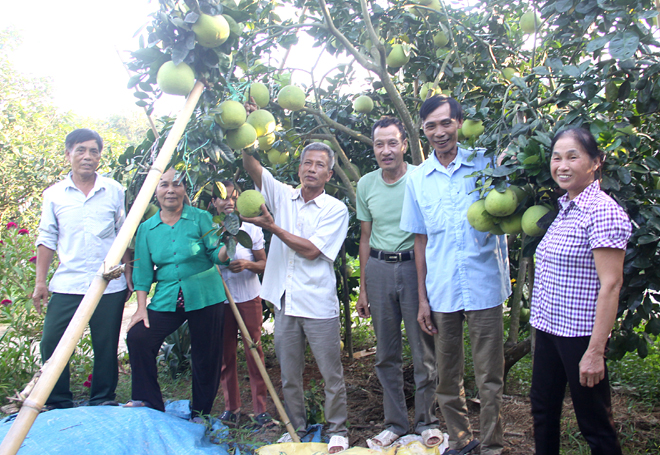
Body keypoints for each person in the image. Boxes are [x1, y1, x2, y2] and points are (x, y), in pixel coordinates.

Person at [400, 96, 511, 455]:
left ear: (459, 122)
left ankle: (492, 446)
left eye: (445, 123)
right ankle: (462, 442)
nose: (439, 132)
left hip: (484, 286)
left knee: (489, 376)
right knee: (446, 376)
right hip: (442, 289)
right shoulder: (417, 180)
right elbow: (420, 241)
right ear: (423, 131)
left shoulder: (484, 164)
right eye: (431, 126)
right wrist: (422, 298)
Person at [241, 142, 350, 453]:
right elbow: (253, 167)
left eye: (318, 165)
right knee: (289, 374)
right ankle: (295, 428)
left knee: (331, 373)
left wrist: (273, 227)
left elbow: (313, 250)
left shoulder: (335, 209)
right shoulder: (282, 196)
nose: (311, 169)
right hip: (285, 300)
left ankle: (338, 430)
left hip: (317, 303)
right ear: (300, 167)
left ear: (329, 174)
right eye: (307, 163)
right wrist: (248, 138)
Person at [530, 128, 631, 455]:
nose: (562, 164)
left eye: (573, 156)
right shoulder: (566, 208)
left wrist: (595, 351)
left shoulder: (602, 211)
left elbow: (611, 284)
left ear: (595, 162)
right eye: (557, 157)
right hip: (549, 329)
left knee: (595, 424)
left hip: (580, 337)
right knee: (543, 410)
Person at [32, 128, 132, 409]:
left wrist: (128, 272)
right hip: (68, 282)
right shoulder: (54, 195)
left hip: (108, 283)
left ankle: (102, 398)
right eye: (80, 150)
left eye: (93, 151)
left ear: (99, 156)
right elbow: (47, 238)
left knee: (106, 345)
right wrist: (41, 282)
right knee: (52, 341)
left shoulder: (114, 190)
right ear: (68, 155)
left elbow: (122, 232)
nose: (87, 156)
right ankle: (58, 399)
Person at [356, 117, 440, 447]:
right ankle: (395, 423)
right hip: (378, 267)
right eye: (379, 144)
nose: (386, 150)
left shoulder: (421, 177)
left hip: (413, 267)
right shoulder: (366, 184)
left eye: (393, 143)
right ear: (373, 148)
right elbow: (364, 237)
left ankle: (426, 421)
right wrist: (363, 286)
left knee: (423, 351)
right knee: (386, 353)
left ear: (404, 144)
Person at [125, 168, 229, 420]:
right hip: (168, 294)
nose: (170, 189)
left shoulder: (200, 218)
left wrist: (231, 242)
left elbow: (217, 255)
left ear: (185, 190)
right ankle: (148, 400)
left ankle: (200, 411)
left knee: (206, 355)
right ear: (155, 192)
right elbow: (142, 273)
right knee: (139, 337)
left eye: (177, 184)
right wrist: (141, 308)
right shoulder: (146, 229)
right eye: (164, 185)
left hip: (205, 293)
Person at [211, 181, 271, 428]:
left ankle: (261, 409)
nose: (230, 202)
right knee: (226, 355)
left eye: (234, 197)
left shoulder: (251, 228)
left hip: (248, 297)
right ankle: (231, 407)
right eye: (224, 198)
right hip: (221, 300)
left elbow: (265, 264)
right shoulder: (209, 230)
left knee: (254, 350)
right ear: (214, 202)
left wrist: (247, 265)